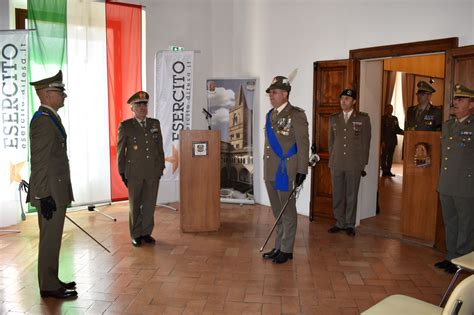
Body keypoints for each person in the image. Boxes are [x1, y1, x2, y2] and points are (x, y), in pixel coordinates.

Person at [27, 70, 77, 299]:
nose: (64, 96)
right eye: (60, 92)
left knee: (54, 238)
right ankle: (48, 286)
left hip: (54, 189)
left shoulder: (50, 119)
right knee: (50, 239)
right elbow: (39, 162)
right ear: (46, 95)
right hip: (50, 192)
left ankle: (51, 278)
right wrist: (44, 194)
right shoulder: (43, 123)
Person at [262, 76, 309, 264]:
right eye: (270, 93)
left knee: (287, 211)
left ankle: (287, 249)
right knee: (277, 211)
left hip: (285, 171)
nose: (271, 96)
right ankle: (279, 245)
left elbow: (303, 144)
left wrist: (302, 170)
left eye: (274, 92)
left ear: (285, 94)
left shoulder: (296, 115)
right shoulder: (271, 114)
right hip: (270, 170)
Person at [435, 83, 474, 274]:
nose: (456, 102)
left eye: (461, 99)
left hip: (466, 184)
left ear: (471, 104)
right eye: (455, 99)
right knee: (450, 221)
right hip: (447, 182)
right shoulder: (448, 125)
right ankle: (451, 256)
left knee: (466, 223)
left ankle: (462, 260)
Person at [117, 91, 165, 247]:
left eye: (145, 104)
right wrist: (122, 172)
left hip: (152, 171)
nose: (143, 108)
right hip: (135, 172)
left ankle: (146, 232)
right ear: (132, 107)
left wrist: (160, 167)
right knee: (135, 205)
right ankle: (135, 234)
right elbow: (120, 151)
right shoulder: (126, 126)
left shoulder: (154, 124)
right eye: (139, 105)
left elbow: (159, 147)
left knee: (150, 204)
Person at [328, 89, 371, 236]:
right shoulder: (334, 118)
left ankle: (349, 224)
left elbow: (366, 142)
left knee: (352, 194)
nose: (343, 101)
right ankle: (339, 222)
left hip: (354, 163)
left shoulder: (363, 118)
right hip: (337, 162)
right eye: (341, 99)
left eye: (346, 99)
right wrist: (332, 159)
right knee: (338, 194)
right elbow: (331, 142)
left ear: (353, 101)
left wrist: (362, 163)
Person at [380, 104, 404, 176]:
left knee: (390, 156)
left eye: (391, 108)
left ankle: (388, 170)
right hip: (385, 141)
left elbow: (397, 129)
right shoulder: (382, 118)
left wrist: (404, 132)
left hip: (393, 141)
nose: (390, 110)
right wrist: (382, 141)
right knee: (384, 156)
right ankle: (384, 171)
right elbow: (381, 130)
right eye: (389, 108)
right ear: (386, 109)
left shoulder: (395, 118)